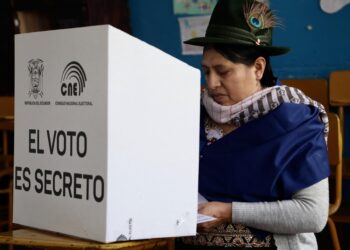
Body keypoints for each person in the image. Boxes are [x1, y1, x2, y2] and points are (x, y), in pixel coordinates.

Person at [176, 0, 330, 249]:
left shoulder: (295, 121)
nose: (212, 83)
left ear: (258, 68)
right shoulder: (193, 113)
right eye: (206, 72)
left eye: (223, 71)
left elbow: (313, 214)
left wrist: (229, 212)